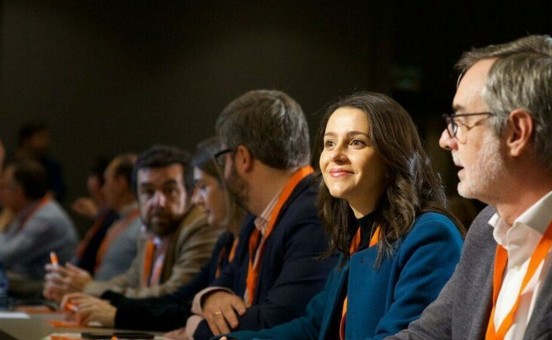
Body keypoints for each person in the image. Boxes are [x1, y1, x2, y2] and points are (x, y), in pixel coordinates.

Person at [387, 35, 552, 340]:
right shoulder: (486, 230)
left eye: (460, 120)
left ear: (517, 132)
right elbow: (428, 335)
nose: (446, 140)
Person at [219, 92, 464, 340]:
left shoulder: (431, 235)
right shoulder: (356, 237)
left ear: (392, 155)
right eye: (329, 143)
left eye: (356, 142)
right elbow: (313, 328)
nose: (336, 155)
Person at [187, 89, 337, 339]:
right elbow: (222, 282)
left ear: (243, 158)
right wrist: (210, 297)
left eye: (224, 160)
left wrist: (195, 326)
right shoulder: (256, 218)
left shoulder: (313, 215)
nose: (224, 172)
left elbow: (275, 322)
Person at [56, 137, 246, 332]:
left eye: (170, 190)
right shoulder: (150, 228)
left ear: (188, 193)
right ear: (137, 197)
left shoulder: (201, 226)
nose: (159, 202)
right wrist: (92, 292)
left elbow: (177, 297)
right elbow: (132, 279)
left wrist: (97, 295)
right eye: (148, 192)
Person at [43, 154, 141, 302]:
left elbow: (135, 285)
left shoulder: (141, 226)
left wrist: (88, 287)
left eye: (106, 181)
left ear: (120, 183)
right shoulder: (119, 220)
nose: (104, 189)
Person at [0, 158, 77, 298]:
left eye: (4, 186)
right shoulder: (26, 212)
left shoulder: (47, 218)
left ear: (19, 191)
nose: (1, 192)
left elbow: (4, 256)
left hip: (47, 287)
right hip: (28, 280)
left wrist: (2, 225)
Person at [14, 122, 66, 202]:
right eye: (40, 138)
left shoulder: (51, 166)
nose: (46, 142)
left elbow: (60, 189)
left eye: (47, 138)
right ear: (26, 140)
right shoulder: (9, 164)